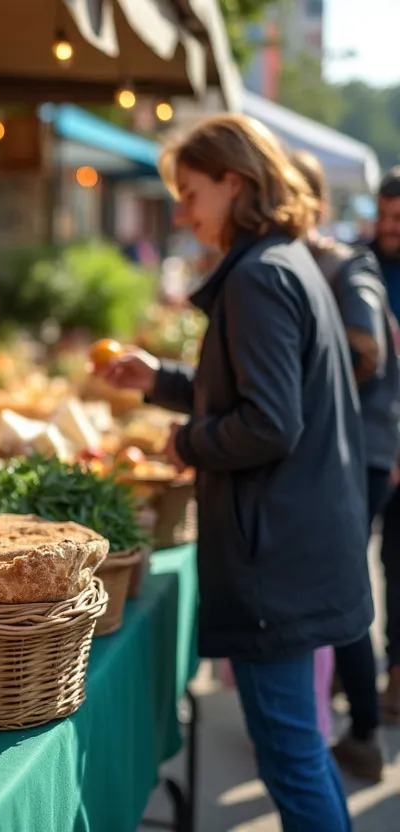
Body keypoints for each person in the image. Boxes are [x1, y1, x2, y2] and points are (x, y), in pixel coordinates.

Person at [95, 115, 370, 831]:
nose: (181, 213)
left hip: (274, 556)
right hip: (293, 543)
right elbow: (255, 394)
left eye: (190, 193)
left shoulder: (260, 276)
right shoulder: (282, 260)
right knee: (300, 753)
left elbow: (269, 424)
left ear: (235, 182)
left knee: (291, 756)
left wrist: (187, 441)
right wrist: (160, 379)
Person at [290, 150, 400, 782]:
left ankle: (361, 729)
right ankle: (349, 715)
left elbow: (367, 351)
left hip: (363, 452)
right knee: (345, 584)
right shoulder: (342, 260)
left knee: (343, 588)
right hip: (359, 450)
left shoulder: (344, 265)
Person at [370, 168, 400, 722]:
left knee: (398, 561)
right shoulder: (362, 263)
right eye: (386, 214)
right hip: (366, 441)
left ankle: (396, 673)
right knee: (350, 558)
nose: (390, 226)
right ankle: (338, 667)